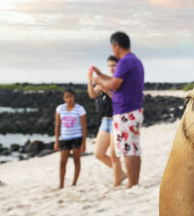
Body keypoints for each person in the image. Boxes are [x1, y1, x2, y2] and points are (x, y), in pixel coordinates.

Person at [90, 31, 144, 188]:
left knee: (128, 149)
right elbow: (117, 80)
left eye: (112, 47)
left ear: (116, 45)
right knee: (134, 148)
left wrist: (99, 80)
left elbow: (114, 85)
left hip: (125, 111)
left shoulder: (124, 62)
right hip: (134, 109)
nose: (112, 50)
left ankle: (132, 183)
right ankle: (135, 182)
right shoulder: (135, 61)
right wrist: (101, 75)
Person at [87, 55, 126, 186]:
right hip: (105, 121)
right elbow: (92, 94)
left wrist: (106, 90)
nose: (111, 68)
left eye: (114, 65)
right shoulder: (106, 80)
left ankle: (117, 182)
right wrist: (90, 80)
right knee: (99, 154)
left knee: (114, 155)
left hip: (117, 121)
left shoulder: (121, 82)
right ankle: (121, 173)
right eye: (109, 66)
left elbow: (120, 100)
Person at [54, 89, 87, 188]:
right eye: (66, 97)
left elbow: (84, 127)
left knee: (76, 160)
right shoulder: (60, 109)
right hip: (64, 138)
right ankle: (61, 184)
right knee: (62, 162)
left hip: (77, 138)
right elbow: (57, 125)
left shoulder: (80, 109)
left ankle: (74, 183)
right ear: (64, 99)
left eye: (70, 97)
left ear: (74, 97)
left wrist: (84, 143)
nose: (69, 99)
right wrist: (56, 141)